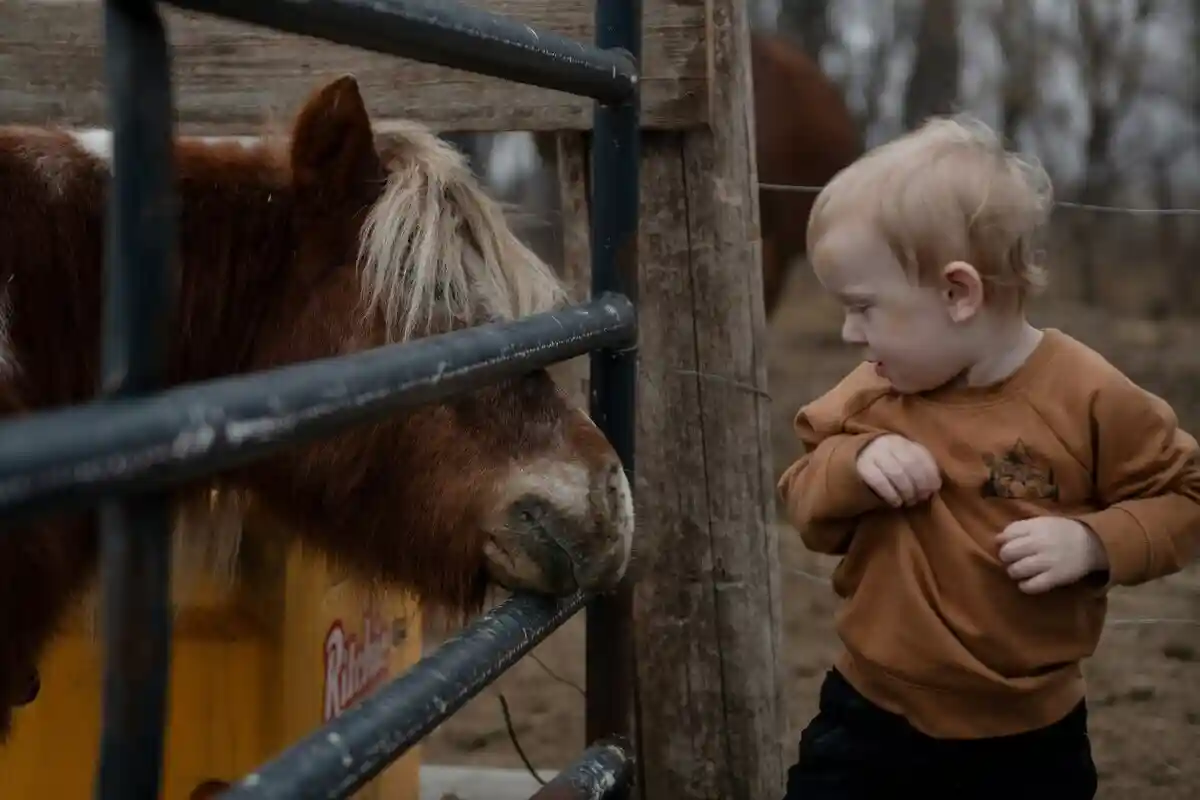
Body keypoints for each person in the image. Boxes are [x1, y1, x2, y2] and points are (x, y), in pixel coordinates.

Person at [776, 114, 1200, 800]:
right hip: (871, 717)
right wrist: (854, 464)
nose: (849, 333)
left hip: (1031, 740)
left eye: (863, 307)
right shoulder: (871, 393)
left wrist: (1095, 542)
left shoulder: (1088, 397)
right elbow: (801, 494)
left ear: (958, 293)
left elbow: (1185, 496)